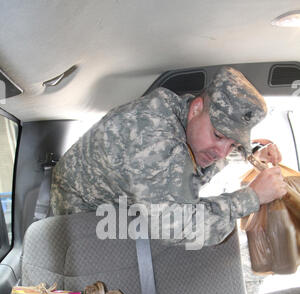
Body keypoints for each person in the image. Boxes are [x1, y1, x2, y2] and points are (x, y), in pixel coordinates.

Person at [50, 66, 286, 247]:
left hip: (123, 214)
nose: (223, 151)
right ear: (195, 109)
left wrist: (254, 156)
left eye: (233, 144)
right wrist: (251, 197)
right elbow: (176, 225)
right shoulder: (151, 133)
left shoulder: (183, 120)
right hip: (81, 226)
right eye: (218, 135)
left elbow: (200, 156)